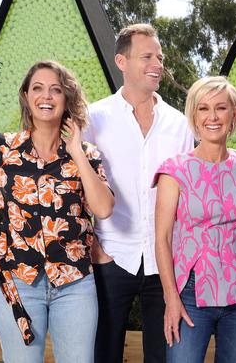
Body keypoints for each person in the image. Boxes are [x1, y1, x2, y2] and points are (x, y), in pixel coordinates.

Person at [0, 60, 114, 362]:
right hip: (18, 280)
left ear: (66, 100)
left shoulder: (86, 154)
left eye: (55, 90)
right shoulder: (1, 148)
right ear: (26, 95)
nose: (46, 96)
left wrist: (76, 151)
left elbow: (102, 209)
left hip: (74, 283)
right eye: (38, 88)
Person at [84, 23, 195, 363]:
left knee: (162, 356)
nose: (157, 64)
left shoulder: (180, 123)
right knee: (104, 353)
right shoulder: (94, 117)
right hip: (111, 257)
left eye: (159, 57)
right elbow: (73, 185)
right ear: (121, 61)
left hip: (165, 263)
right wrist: (94, 246)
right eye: (147, 56)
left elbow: (187, 195)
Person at [153, 76, 236, 363]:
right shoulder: (174, 170)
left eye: (221, 108)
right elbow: (162, 239)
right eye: (203, 109)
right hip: (189, 295)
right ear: (194, 115)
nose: (212, 117)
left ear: (234, 114)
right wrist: (171, 298)